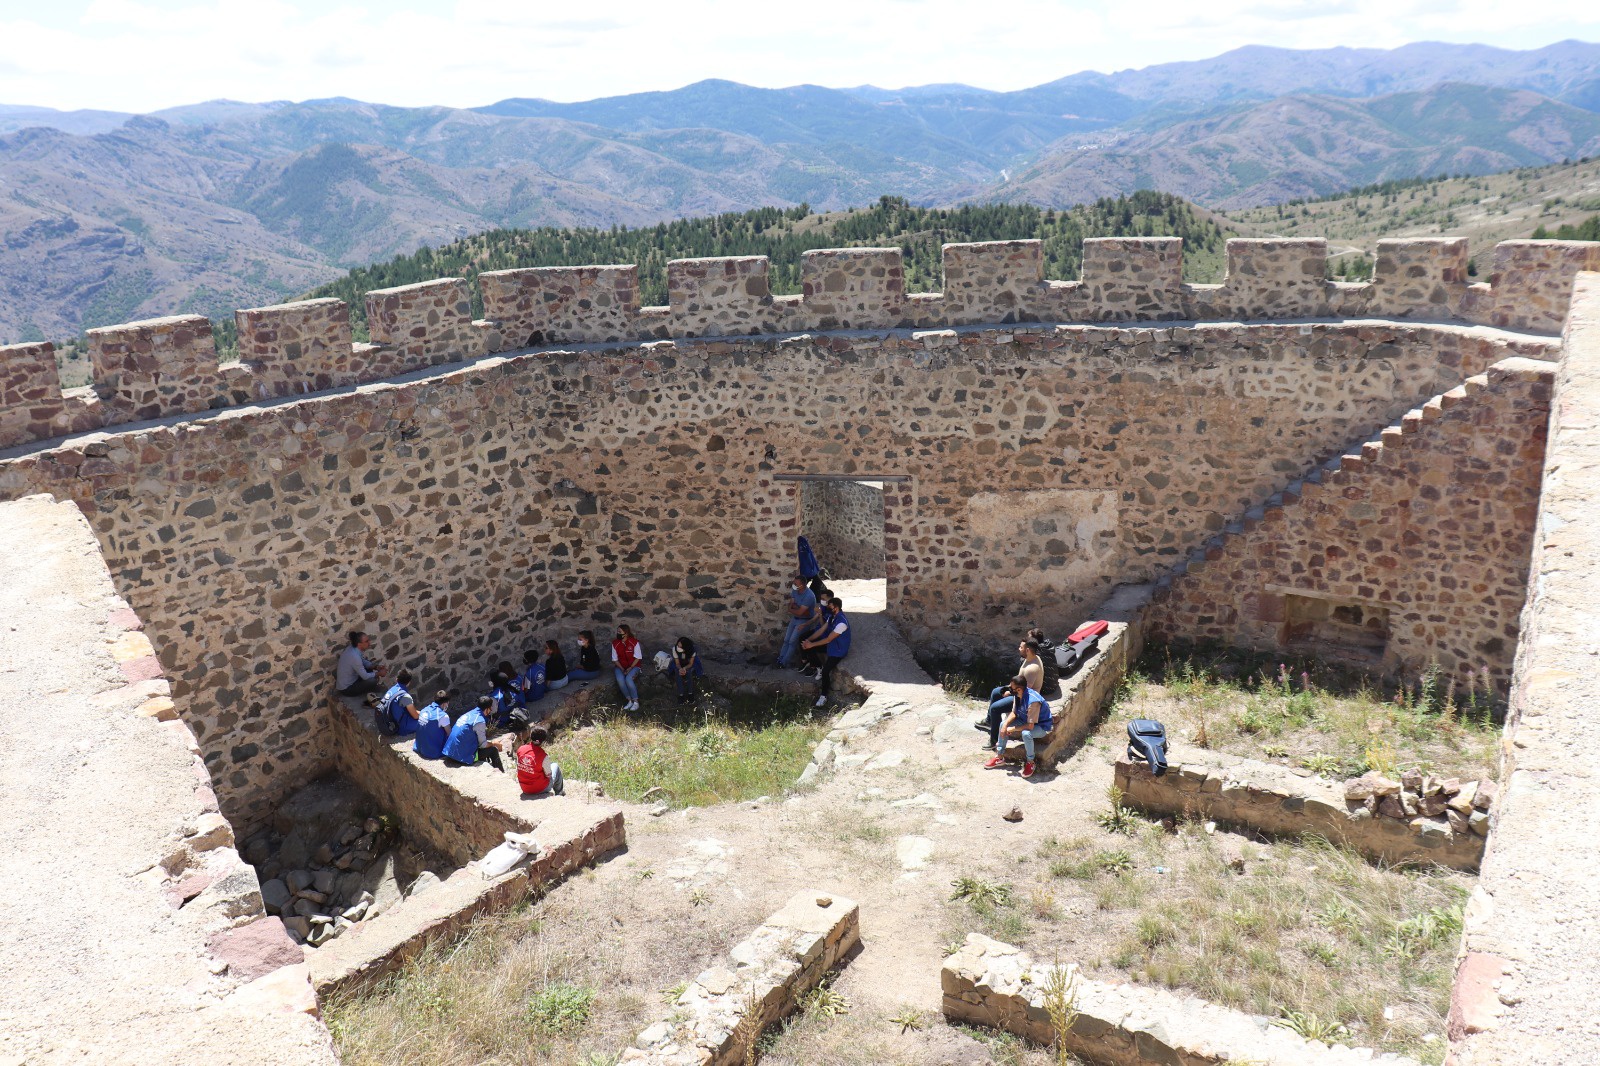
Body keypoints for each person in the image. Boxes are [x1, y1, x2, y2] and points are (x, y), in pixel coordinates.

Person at [975, 639, 1047, 750]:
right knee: (996, 692)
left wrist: (1010, 693)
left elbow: (1025, 691)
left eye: (1021, 647)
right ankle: (990, 722)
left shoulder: (1031, 669)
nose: (1019, 648)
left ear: (1027, 650)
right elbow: (1019, 681)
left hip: (1024, 700)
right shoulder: (1030, 658)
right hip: (1018, 691)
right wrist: (1008, 688)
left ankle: (994, 740)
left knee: (995, 708)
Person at [985, 675, 1053, 778]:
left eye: (1011, 688)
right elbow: (1014, 713)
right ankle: (1000, 757)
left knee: (1026, 733)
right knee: (1003, 724)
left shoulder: (1033, 701)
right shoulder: (1018, 695)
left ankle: (1030, 762)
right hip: (1024, 719)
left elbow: (1030, 726)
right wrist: (1006, 725)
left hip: (1040, 726)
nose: (1009, 690)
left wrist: (1014, 728)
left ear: (1019, 689)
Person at [800, 595, 850, 709]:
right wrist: (809, 641)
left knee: (827, 671)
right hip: (831, 646)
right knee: (809, 648)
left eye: (830, 606)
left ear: (836, 607)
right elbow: (821, 630)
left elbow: (828, 639)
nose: (828, 608)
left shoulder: (842, 623)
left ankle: (823, 696)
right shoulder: (832, 617)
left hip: (838, 650)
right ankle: (818, 667)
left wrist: (811, 644)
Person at [443, 696, 505, 771]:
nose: (491, 710)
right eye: (490, 708)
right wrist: (494, 743)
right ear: (487, 709)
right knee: (493, 750)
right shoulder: (480, 721)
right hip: (460, 757)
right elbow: (483, 745)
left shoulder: (468, 714)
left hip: (449, 752)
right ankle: (501, 773)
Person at [776, 573, 819, 668]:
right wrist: (796, 609)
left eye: (796, 583)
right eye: (794, 583)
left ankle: (784, 663)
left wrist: (793, 609)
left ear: (802, 585)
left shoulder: (809, 596)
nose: (794, 585)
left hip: (803, 621)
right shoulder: (795, 591)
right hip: (795, 619)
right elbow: (793, 605)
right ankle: (780, 658)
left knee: (792, 641)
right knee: (786, 640)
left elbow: (798, 611)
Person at [515, 725, 565, 797]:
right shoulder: (543, 756)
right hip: (539, 789)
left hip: (524, 788)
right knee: (555, 766)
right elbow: (548, 775)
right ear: (543, 741)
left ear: (531, 737)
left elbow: (519, 768)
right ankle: (559, 793)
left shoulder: (520, 749)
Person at [335, 631, 387, 700]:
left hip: (353, 679)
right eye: (366, 641)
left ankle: (369, 688)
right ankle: (368, 692)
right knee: (373, 680)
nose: (369, 643)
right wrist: (380, 673)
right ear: (359, 644)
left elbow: (362, 661)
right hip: (347, 689)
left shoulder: (353, 648)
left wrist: (375, 667)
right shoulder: (354, 656)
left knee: (370, 670)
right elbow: (365, 676)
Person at [379, 668, 420, 736]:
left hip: (389, 721)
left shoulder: (392, 690)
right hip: (400, 725)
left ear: (396, 679)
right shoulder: (405, 696)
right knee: (429, 722)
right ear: (409, 682)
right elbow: (415, 716)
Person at [612, 624, 642, 711]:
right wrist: (622, 669)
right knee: (620, 679)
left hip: (634, 666)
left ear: (626, 633)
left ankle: (636, 701)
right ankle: (629, 701)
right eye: (617, 631)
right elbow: (615, 659)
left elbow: (638, 657)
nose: (618, 633)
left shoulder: (634, 642)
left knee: (628, 679)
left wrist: (630, 668)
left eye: (620, 632)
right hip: (620, 667)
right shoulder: (615, 643)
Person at [413, 690, 452, 760]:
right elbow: (450, 734)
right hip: (432, 752)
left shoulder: (424, 710)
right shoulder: (443, 716)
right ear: (444, 703)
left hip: (418, 747)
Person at [1028, 627, 1063, 700]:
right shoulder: (1048, 646)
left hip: (1046, 689)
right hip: (1054, 684)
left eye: (1029, 638)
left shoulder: (1037, 653)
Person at [667, 636, 705, 703]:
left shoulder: (692, 651)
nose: (678, 646)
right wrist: (680, 669)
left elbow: (690, 663)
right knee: (677, 672)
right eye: (678, 644)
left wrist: (684, 668)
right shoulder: (675, 649)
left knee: (689, 672)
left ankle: (690, 693)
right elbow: (677, 663)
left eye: (680, 645)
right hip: (680, 663)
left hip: (689, 663)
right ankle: (681, 694)